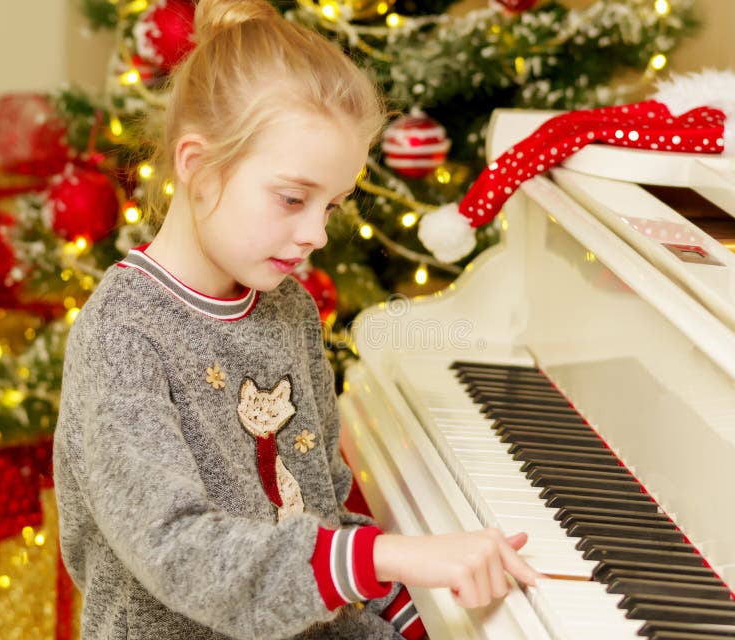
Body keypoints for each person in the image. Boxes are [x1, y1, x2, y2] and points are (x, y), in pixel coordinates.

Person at [53, 1, 540, 638]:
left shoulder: (288, 308)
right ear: (197, 167)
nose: (315, 233)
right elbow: (178, 552)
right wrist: (392, 557)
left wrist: (406, 609)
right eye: (292, 198)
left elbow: (319, 505)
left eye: (331, 205)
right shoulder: (122, 334)